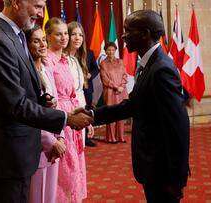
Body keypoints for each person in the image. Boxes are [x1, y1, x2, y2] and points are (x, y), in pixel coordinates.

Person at [0, 0, 92, 202]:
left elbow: (21, 89)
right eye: (37, 6)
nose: (41, 12)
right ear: (15, 3)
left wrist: (42, 99)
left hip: (19, 153)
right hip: (6, 156)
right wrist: (66, 118)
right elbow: (15, 105)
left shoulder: (15, 36)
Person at [76, 9, 190, 202]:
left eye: (128, 30)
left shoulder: (161, 69)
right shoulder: (150, 64)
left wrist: (177, 179)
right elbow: (133, 105)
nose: (123, 35)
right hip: (152, 166)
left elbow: (178, 126)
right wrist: (92, 115)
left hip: (162, 169)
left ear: (145, 33)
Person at [45, 17, 89, 203]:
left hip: (73, 115)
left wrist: (85, 117)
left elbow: (73, 92)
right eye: (58, 34)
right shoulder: (47, 60)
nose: (64, 38)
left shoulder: (66, 59)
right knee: (63, 170)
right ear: (48, 36)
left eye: (65, 34)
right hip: (59, 119)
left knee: (74, 165)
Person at [25, 25, 65, 203]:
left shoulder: (47, 69)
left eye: (43, 40)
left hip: (54, 142)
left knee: (49, 198)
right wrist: (50, 141)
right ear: (25, 44)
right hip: (38, 146)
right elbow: (27, 112)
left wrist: (61, 136)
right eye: (36, 40)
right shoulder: (24, 73)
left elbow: (56, 106)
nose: (42, 44)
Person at [64, 21, 95, 147]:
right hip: (68, 114)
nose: (78, 38)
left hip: (80, 111)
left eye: (80, 35)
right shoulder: (62, 59)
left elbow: (80, 92)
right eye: (74, 34)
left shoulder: (78, 60)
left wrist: (86, 118)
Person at [100, 42, 128, 143]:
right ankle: (111, 138)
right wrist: (116, 87)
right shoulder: (103, 64)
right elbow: (105, 80)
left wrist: (122, 86)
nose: (111, 52)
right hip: (110, 92)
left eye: (113, 50)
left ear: (115, 51)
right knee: (111, 114)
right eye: (108, 50)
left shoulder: (120, 61)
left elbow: (125, 75)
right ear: (105, 51)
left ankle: (120, 137)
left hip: (122, 91)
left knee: (120, 114)